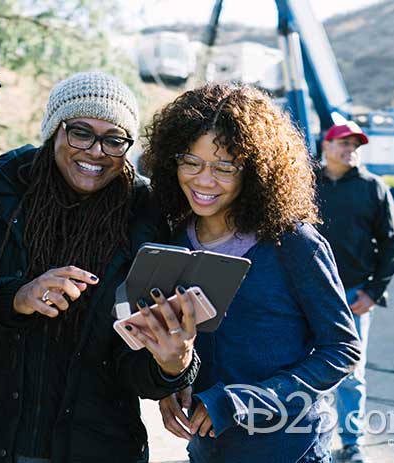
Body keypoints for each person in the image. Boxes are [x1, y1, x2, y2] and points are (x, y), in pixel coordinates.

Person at [0, 71, 200, 463]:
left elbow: (133, 368)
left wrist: (172, 364)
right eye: (81, 132)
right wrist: (16, 298)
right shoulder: (3, 191)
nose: (96, 151)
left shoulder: (146, 215)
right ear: (54, 130)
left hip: (99, 446)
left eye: (113, 139)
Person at [147, 83, 362, 463]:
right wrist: (170, 385)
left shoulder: (292, 242)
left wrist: (247, 401)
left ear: (257, 170)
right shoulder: (172, 239)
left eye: (224, 167)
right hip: (207, 452)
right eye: (190, 162)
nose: (203, 180)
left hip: (291, 451)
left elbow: (341, 349)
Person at [316, 122, 394, 463]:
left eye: (355, 144)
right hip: (309, 294)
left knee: (351, 375)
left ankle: (352, 443)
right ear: (327, 144)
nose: (350, 148)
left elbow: (392, 242)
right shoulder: (306, 183)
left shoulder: (373, 188)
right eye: (343, 142)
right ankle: (312, 438)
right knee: (306, 370)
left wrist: (373, 292)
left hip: (353, 295)